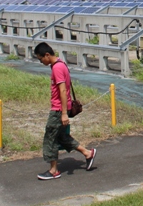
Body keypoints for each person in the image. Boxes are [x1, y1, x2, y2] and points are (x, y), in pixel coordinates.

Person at [33, 42, 97, 180]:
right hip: (62, 108)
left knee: (50, 137)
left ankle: (53, 170)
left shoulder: (57, 68)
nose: (41, 61)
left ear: (47, 55)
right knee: (62, 137)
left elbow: (62, 90)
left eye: (40, 58)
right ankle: (87, 153)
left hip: (58, 110)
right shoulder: (61, 64)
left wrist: (62, 113)